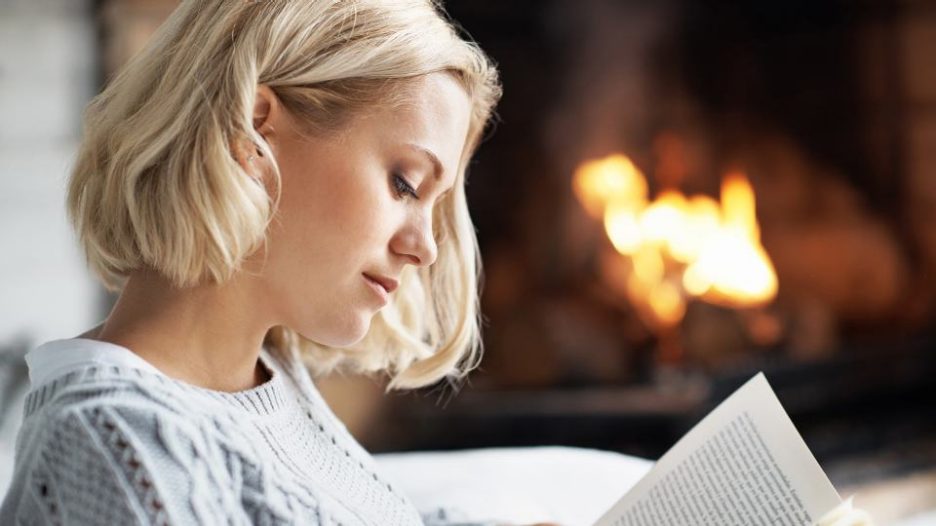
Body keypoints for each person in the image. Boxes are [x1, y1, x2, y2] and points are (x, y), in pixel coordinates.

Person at [0, 0, 502, 524]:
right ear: (256, 128)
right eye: (406, 184)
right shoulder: (112, 443)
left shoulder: (265, 375)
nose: (426, 247)